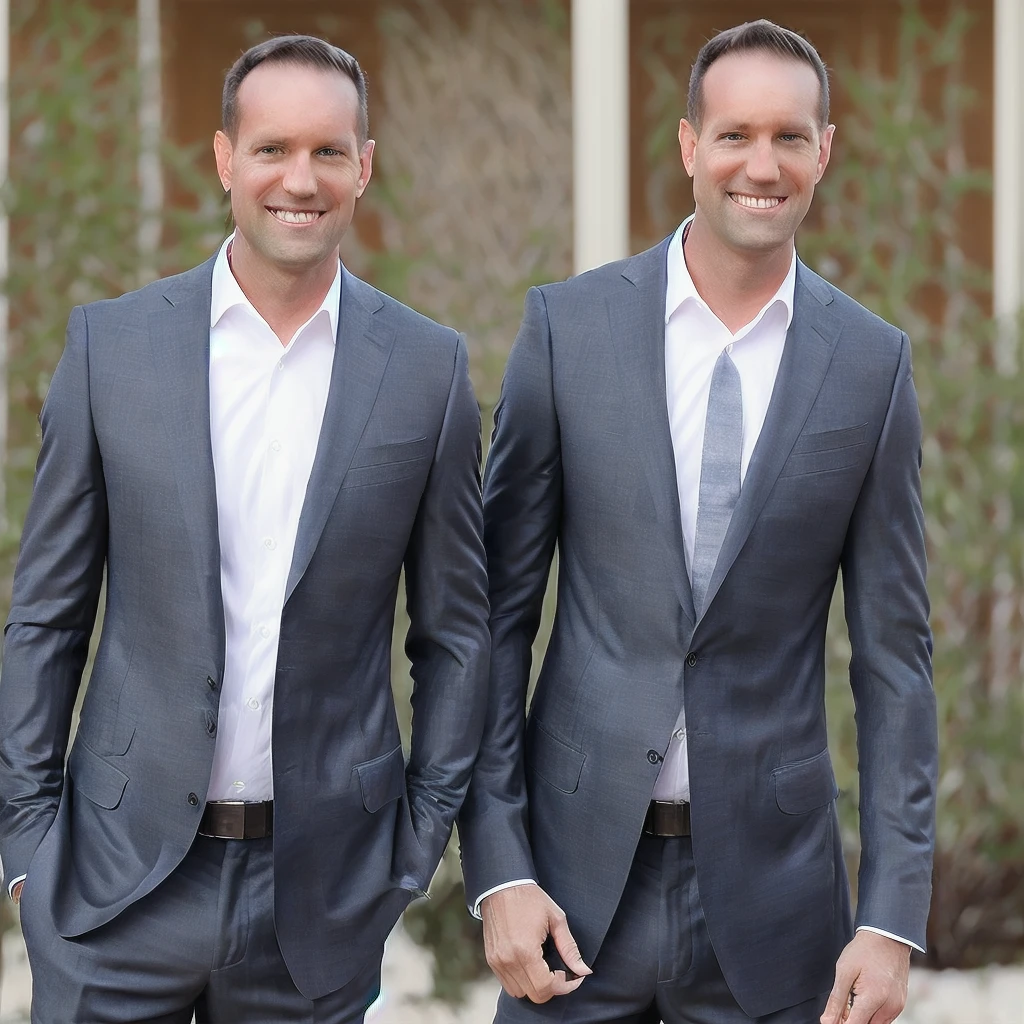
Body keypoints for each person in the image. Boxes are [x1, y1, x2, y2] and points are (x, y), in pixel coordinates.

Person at [0, 34, 489, 1023]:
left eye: (326, 152)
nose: (298, 179)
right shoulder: (113, 349)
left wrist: (415, 842)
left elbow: (455, 633)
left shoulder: (426, 372)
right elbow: (46, 617)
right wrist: (27, 848)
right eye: (271, 149)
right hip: (111, 890)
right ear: (225, 159)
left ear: (364, 165)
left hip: (317, 901)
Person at [458, 19, 937, 1024]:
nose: (759, 165)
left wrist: (891, 919)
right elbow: (492, 621)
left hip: (779, 906)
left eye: (788, 137)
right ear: (687, 145)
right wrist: (497, 866)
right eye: (732, 135)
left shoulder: (869, 365)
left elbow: (895, 660)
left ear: (824, 150)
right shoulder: (567, 331)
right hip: (571, 899)